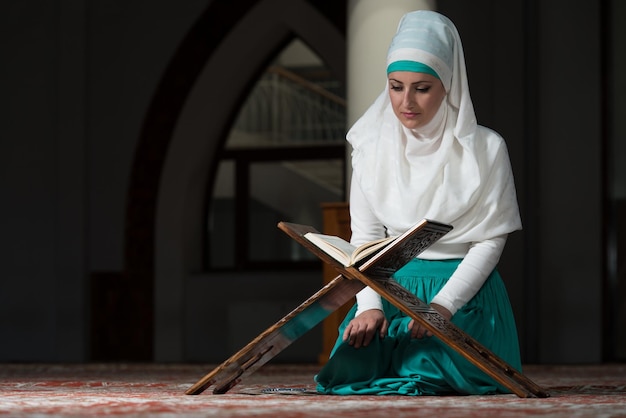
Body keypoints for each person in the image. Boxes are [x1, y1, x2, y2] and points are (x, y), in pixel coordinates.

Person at [315, 10, 523, 396]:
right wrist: (370, 307)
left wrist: (443, 306)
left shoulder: (487, 149)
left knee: (425, 370)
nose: (405, 101)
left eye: (422, 88)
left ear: (448, 86)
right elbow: (366, 235)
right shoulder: (370, 148)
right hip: (389, 285)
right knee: (349, 371)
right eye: (396, 86)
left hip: (462, 293)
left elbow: (490, 241)